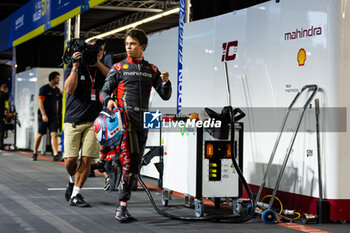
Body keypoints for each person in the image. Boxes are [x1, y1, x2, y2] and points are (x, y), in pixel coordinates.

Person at [99, 28, 172, 222]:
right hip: (126, 119)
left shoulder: (151, 69)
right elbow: (103, 92)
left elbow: (165, 95)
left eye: (132, 44)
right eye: (126, 44)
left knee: (135, 165)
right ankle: (121, 208)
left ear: (143, 46)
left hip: (144, 120)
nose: (128, 47)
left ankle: (113, 159)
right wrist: (109, 102)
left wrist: (166, 82)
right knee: (130, 163)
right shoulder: (119, 68)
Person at [64, 38, 109, 207]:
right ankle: (71, 178)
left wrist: (97, 63)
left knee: (87, 160)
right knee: (70, 160)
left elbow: (114, 78)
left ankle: (76, 194)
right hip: (73, 121)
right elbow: (69, 89)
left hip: (94, 122)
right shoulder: (75, 66)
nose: (97, 53)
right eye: (94, 50)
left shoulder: (101, 69)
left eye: (100, 51)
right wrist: (75, 66)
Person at [32, 72, 61, 161]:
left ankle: (55, 155)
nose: (58, 79)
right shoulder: (44, 89)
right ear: (52, 78)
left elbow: (57, 103)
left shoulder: (57, 90)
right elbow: (40, 102)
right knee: (40, 134)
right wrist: (44, 115)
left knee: (54, 134)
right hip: (43, 116)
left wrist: (56, 114)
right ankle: (35, 152)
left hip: (53, 117)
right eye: (57, 78)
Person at [0, 84, 9, 150]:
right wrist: (8, 112)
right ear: (5, 89)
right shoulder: (5, 95)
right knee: (1, 130)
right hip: (0, 115)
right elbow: (6, 105)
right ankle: (1, 145)